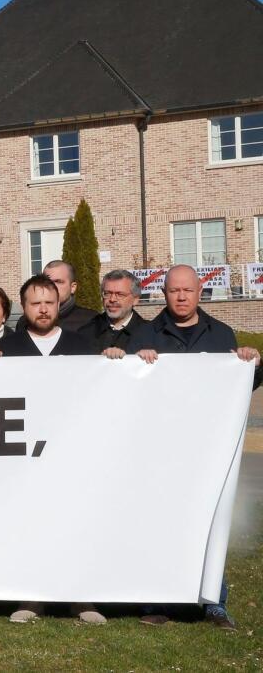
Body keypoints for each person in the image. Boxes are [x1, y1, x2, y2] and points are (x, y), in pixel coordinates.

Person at [109, 264, 261, 630]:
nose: (180, 297)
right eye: (174, 291)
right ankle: (156, 603)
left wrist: (249, 365)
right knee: (157, 524)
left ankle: (213, 602)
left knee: (211, 523)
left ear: (198, 292)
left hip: (207, 451)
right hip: (157, 449)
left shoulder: (222, 334)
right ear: (164, 294)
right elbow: (123, 389)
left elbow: (237, 391)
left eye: (187, 291)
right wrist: (128, 361)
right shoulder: (145, 335)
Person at [0, 275, 104, 625]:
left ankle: (82, 599)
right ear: (24, 307)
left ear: (59, 303)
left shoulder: (82, 346)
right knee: (29, 526)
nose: (43, 309)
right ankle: (30, 598)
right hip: (24, 458)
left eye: (49, 301)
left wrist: (113, 361)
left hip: (72, 455)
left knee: (74, 525)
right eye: (35, 303)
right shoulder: (9, 347)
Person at [15, 260, 97, 332]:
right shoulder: (25, 322)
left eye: (58, 281)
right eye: (48, 282)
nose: (53, 286)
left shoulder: (91, 321)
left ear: (73, 287)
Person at [77, 269, 146, 350]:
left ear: (135, 300)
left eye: (120, 294)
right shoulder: (86, 333)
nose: (112, 299)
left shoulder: (150, 334)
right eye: (107, 293)